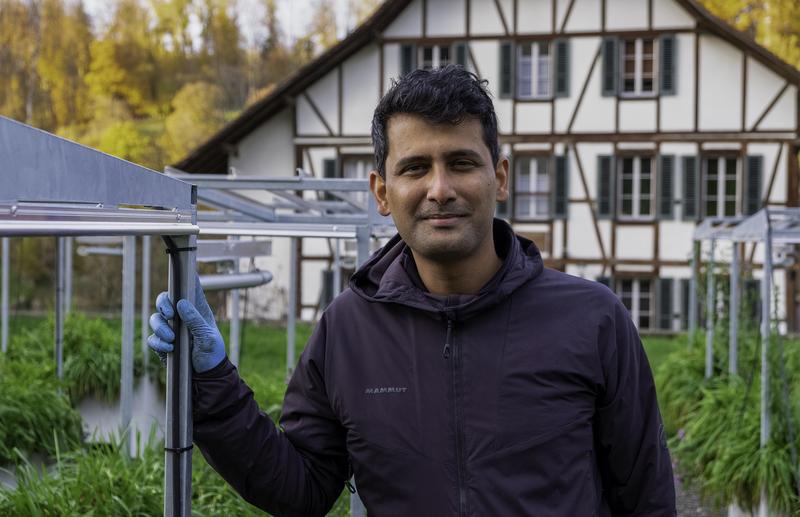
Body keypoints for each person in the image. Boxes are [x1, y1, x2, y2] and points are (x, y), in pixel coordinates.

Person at [148, 65, 676, 516]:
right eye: (415, 167)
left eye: (462, 163)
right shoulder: (347, 329)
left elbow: (646, 497)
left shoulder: (592, 320)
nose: (440, 189)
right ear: (383, 191)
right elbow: (300, 488)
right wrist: (210, 378)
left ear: (500, 176)